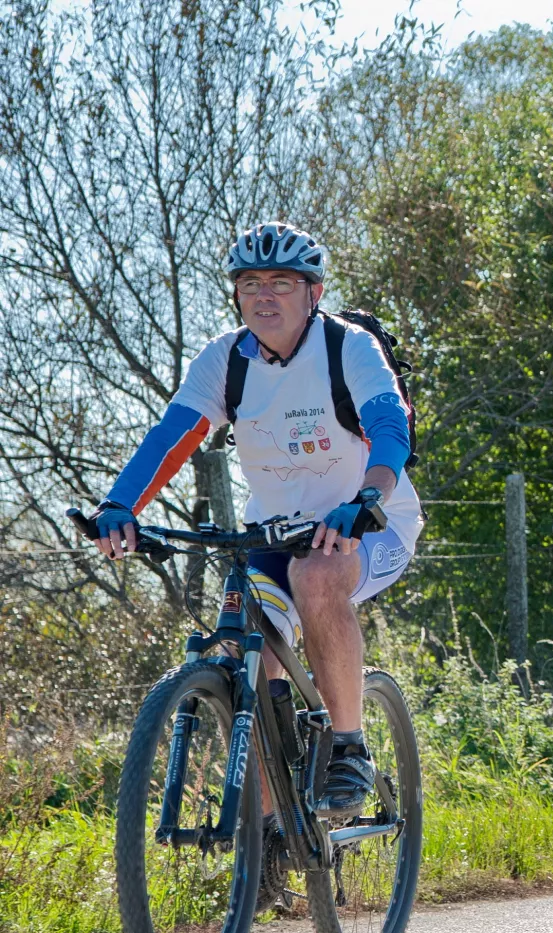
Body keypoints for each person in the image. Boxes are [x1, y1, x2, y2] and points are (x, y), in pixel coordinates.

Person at [90, 222, 422, 820]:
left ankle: (348, 747)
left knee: (319, 578)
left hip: (372, 523)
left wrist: (367, 498)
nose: (264, 296)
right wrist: (120, 507)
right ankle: (267, 838)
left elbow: (389, 428)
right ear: (236, 295)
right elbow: (173, 437)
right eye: (250, 284)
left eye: (281, 283)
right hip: (272, 534)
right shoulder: (226, 360)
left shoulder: (349, 348)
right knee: (248, 653)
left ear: (313, 293)